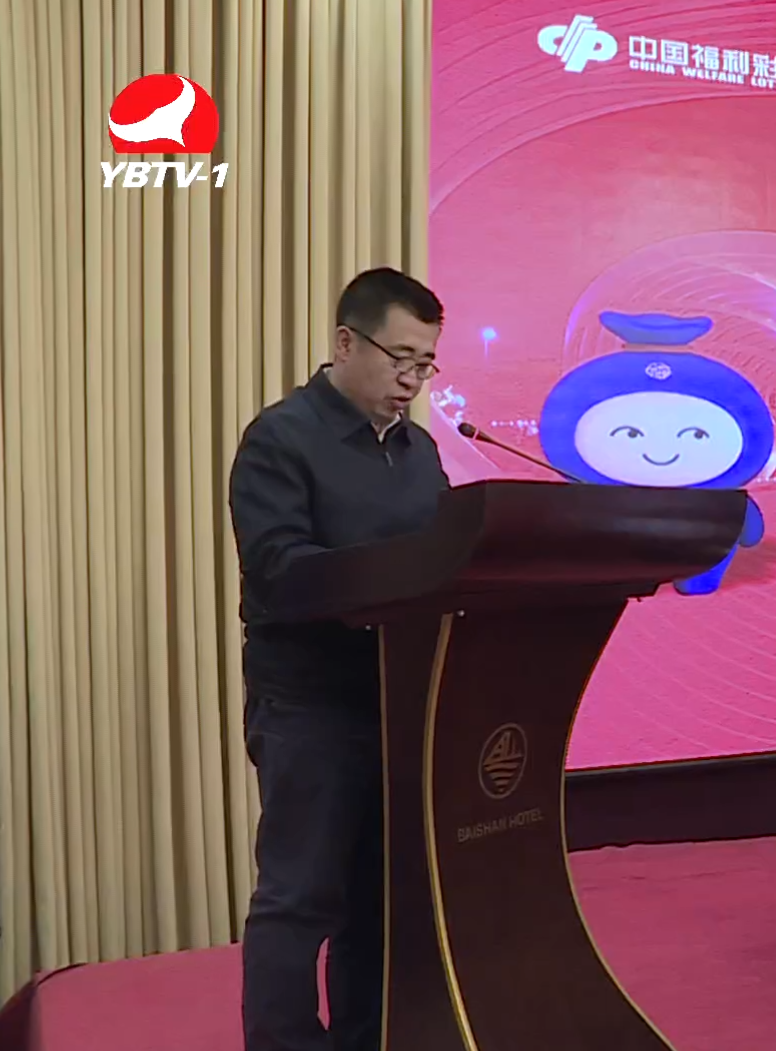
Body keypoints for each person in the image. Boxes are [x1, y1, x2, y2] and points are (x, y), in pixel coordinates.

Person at [228, 267, 447, 1051]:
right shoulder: (281, 438)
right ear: (346, 343)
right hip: (310, 704)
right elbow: (279, 569)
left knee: (376, 899)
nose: (411, 380)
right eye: (400, 359)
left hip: (400, 700)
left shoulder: (418, 450)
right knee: (300, 896)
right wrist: (390, 577)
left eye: (426, 364)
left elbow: (446, 557)